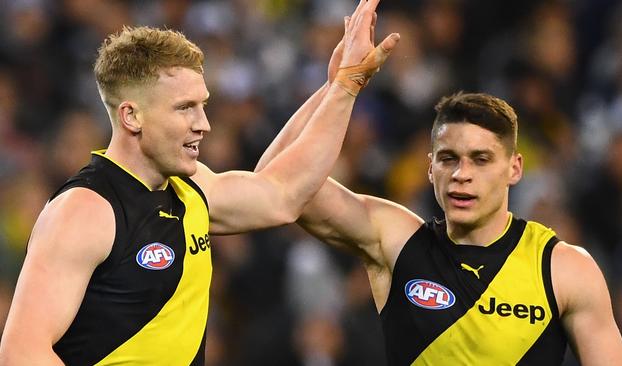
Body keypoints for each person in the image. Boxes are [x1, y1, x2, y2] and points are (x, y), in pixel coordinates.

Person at [0, 0, 401, 364]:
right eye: (185, 108)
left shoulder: (192, 190)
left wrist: (340, 87)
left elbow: (283, 193)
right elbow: (22, 351)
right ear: (131, 117)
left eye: (203, 106)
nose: (204, 124)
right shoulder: (85, 210)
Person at [255, 92, 622, 365]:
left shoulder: (563, 269)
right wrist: (342, 85)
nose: (461, 175)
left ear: (515, 169)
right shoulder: (397, 241)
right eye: (449, 159)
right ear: (430, 167)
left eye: (481, 160)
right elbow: (274, 184)